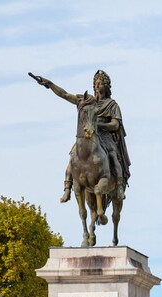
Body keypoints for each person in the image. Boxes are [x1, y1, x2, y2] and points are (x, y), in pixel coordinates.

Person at [33, 70, 131, 212]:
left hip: (104, 136)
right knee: (73, 154)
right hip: (88, 136)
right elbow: (65, 95)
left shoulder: (112, 105)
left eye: (101, 83)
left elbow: (115, 125)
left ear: (107, 86)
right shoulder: (87, 101)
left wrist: (98, 125)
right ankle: (67, 187)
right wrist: (49, 84)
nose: (98, 86)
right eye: (96, 83)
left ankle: (120, 186)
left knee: (112, 155)